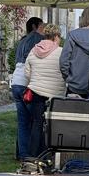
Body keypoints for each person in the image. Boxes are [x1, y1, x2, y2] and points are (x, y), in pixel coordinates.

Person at [24, 24, 65, 158]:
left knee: (37, 124)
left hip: (36, 91)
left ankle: (33, 155)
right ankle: (50, 155)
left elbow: (27, 72)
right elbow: (66, 70)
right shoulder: (60, 52)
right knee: (53, 125)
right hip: (55, 94)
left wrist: (36, 80)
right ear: (56, 36)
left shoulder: (34, 50)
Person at [10, 17, 44, 159]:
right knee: (36, 120)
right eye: (42, 26)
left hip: (16, 81)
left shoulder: (22, 41)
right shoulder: (37, 39)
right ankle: (34, 152)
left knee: (23, 121)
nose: (44, 30)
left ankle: (22, 153)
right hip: (26, 82)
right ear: (35, 26)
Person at [60, 8, 89, 97]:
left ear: (83, 18)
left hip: (75, 84)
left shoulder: (72, 35)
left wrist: (69, 78)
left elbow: (63, 61)